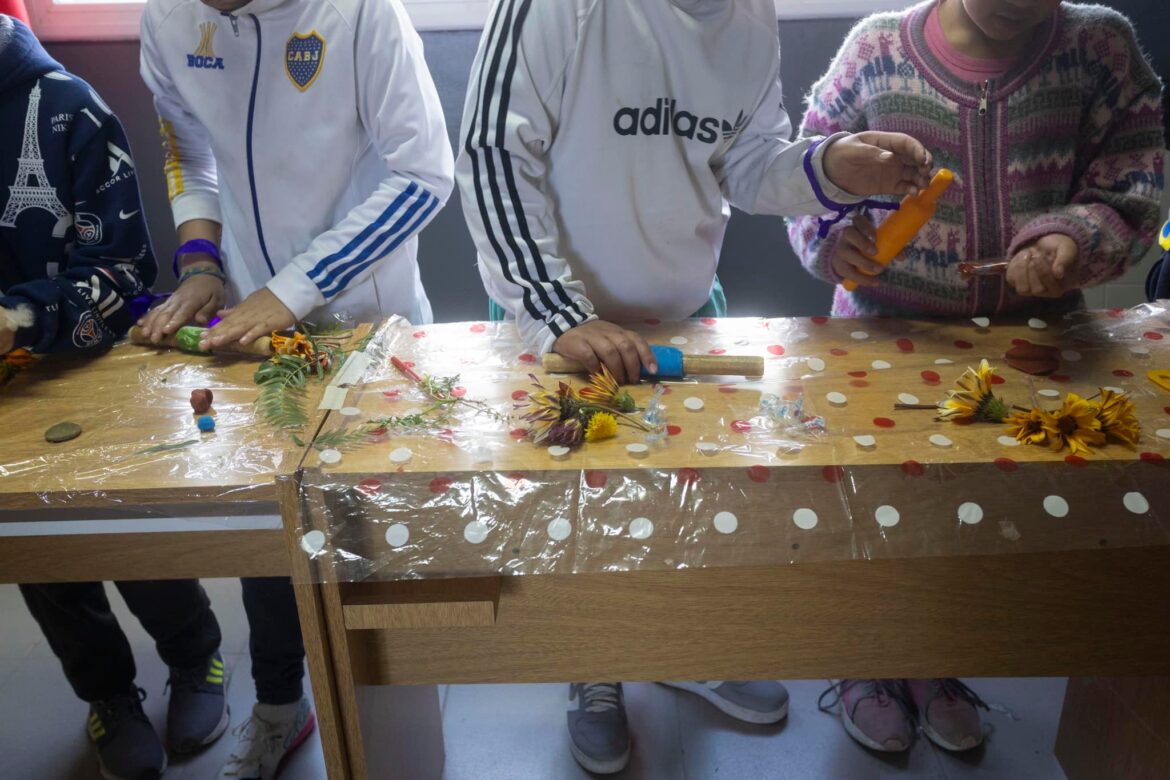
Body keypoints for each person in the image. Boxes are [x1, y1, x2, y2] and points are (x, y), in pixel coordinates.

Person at [456, 0, 934, 772]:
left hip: (683, 317)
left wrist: (825, 166)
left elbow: (746, 164)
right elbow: (490, 152)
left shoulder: (752, 14)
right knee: (583, 524)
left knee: (681, 512)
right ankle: (596, 668)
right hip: (562, 327)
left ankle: (680, 647)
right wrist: (554, 313)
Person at [789, 0, 1164, 754]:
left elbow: (1136, 183)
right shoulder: (874, 53)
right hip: (882, 342)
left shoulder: (1102, 49)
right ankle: (866, 665)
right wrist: (832, 242)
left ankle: (937, 661)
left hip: (1035, 344)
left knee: (974, 521)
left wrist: (1073, 236)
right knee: (876, 513)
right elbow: (805, 178)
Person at [137, 0, 453, 777]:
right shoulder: (169, 18)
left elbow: (425, 176)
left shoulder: (363, 15)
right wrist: (203, 258)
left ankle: (407, 711)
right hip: (253, 324)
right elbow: (186, 141)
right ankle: (280, 705)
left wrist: (297, 287)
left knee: (380, 543)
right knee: (272, 536)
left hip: (365, 319)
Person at [1, 13, 229, 780]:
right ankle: (107, 694)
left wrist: (21, 318)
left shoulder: (68, 109)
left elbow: (122, 274)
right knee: (40, 559)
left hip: (87, 370)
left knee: (130, 535)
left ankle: (197, 659)